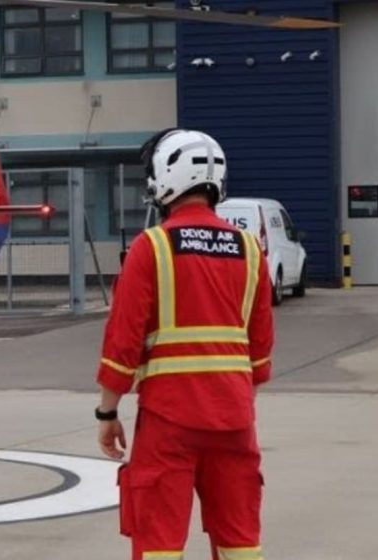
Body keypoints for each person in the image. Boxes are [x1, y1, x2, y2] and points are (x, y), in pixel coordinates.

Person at [96, 129, 274, 560]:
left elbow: (123, 342)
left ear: (165, 178)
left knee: (159, 540)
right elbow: (261, 354)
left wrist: (107, 412)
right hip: (234, 419)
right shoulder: (251, 250)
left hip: (168, 420)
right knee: (241, 540)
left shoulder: (151, 247)